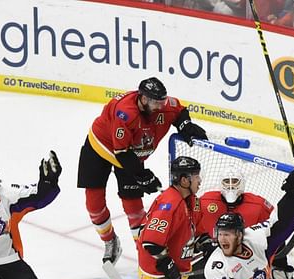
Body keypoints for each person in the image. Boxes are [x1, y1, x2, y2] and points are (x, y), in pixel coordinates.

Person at [78, 77, 207, 265]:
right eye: (156, 102)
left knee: (134, 207)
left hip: (131, 155)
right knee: (94, 204)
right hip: (102, 148)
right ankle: (110, 242)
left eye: (162, 101)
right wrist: (142, 175)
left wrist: (185, 125)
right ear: (143, 99)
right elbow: (121, 152)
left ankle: (144, 253)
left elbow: (179, 111)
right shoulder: (125, 113)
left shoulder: (163, 106)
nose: (160, 106)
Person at [197, 165, 294, 279]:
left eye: (234, 181)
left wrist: (279, 261)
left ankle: (281, 275)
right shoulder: (206, 201)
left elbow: (275, 229)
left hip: (247, 257)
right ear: (221, 184)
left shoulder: (258, 205)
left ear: (242, 183)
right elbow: (192, 223)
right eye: (227, 181)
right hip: (216, 255)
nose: (231, 186)